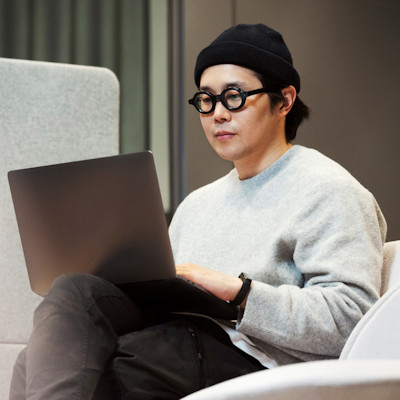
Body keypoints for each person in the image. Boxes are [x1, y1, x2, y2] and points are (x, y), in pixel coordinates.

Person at [10, 23, 386, 400]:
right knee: (63, 313)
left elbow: (350, 318)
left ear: (284, 101)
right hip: (175, 340)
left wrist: (239, 294)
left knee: (116, 368)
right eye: (206, 100)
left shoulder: (329, 189)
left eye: (234, 97)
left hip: (253, 360)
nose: (218, 114)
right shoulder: (198, 204)